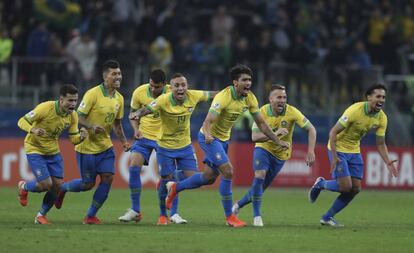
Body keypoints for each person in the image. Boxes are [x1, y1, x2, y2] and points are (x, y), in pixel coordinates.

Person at [165, 64, 290, 227]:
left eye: (250, 80)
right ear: (235, 82)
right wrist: (208, 134)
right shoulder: (223, 97)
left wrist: (277, 140)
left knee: (208, 178)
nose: (248, 83)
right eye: (244, 80)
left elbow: (262, 124)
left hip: (223, 140)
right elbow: (208, 121)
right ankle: (230, 217)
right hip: (209, 138)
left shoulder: (250, 98)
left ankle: (175, 187)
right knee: (228, 171)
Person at [130, 73, 216, 225]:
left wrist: (229, 93)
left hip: (185, 146)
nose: (180, 88)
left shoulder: (193, 95)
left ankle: (170, 182)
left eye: (183, 85)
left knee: (194, 179)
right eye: (176, 85)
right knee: (166, 180)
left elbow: (213, 95)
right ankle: (164, 215)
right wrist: (137, 113)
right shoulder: (163, 99)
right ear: (171, 88)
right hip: (165, 146)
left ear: (187, 86)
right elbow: (148, 109)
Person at [308, 84, 399, 227]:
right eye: (378, 96)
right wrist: (334, 155)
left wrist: (387, 161)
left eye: (383, 97)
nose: (381, 100)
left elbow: (381, 144)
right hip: (338, 148)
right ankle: (321, 184)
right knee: (345, 187)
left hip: (354, 151)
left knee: (355, 189)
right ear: (369, 97)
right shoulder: (354, 111)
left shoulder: (382, 118)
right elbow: (333, 132)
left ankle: (327, 217)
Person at [55, 60, 131, 224]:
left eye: (119, 73)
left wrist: (124, 141)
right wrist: (91, 126)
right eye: (114, 74)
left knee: (108, 177)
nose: (118, 77)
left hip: (106, 146)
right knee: (87, 184)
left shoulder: (119, 98)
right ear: (105, 76)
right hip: (87, 147)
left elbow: (117, 123)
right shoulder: (92, 94)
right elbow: (78, 116)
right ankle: (62, 188)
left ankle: (90, 215)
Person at [232, 84, 317, 226]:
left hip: (281, 155)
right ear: (271, 99)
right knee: (259, 176)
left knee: (259, 189)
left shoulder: (292, 112)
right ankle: (257, 217)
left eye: (284, 97)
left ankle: (238, 205)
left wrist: (310, 150)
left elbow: (311, 129)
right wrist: (275, 135)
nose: (282, 100)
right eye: (279, 97)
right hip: (263, 149)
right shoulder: (262, 112)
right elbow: (254, 137)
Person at [118, 69, 187, 225]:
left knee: (169, 177)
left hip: (164, 138)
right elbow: (133, 114)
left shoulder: (173, 92)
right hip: (145, 135)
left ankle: (169, 214)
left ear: (164, 85)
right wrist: (136, 130)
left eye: (157, 87)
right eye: (151, 86)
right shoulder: (139, 92)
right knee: (134, 166)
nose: (153, 89)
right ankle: (135, 210)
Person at [17, 84, 88, 224]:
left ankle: (40, 215)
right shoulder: (45, 108)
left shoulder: (72, 116)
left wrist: (81, 137)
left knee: (58, 186)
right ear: (61, 100)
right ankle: (23, 187)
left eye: (75, 100)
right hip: (35, 148)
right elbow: (21, 121)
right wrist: (33, 130)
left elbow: (73, 139)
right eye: (70, 100)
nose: (73, 104)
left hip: (53, 152)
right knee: (45, 185)